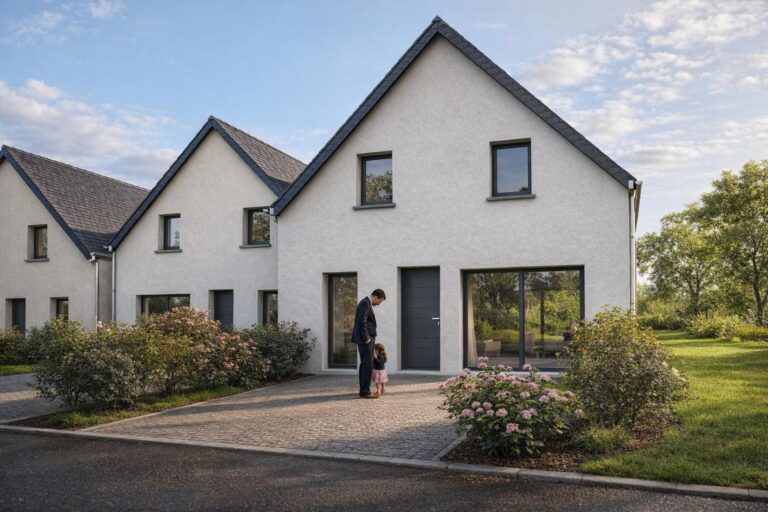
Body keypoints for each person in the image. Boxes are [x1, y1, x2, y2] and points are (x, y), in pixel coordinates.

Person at [352, 288, 386, 398]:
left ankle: (364, 390)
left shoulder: (365, 303)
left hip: (365, 340)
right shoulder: (365, 304)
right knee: (367, 365)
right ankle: (365, 392)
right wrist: (367, 339)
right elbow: (362, 322)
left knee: (366, 365)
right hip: (366, 340)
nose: (379, 304)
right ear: (376, 297)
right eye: (380, 301)